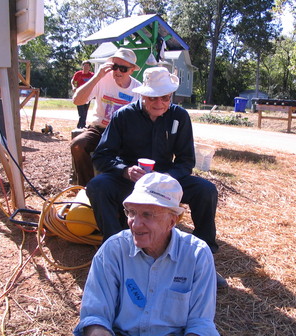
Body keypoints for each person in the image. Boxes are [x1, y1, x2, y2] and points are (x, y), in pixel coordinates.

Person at [86, 66, 227, 288]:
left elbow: (186, 161)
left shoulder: (179, 117)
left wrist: (166, 177)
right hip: (131, 180)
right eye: (154, 97)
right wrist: (125, 170)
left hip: (166, 178)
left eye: (165, 97)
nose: (160, 103)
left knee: (205, 190)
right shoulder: (123, 116)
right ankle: (114, 254)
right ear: (142, 94)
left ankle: (203, 259)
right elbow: (103, 156)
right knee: (97, 186)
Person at [74, 172, 219, 336]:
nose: (135, 224)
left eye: (147, 214)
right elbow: (95, 316)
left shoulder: (197, 255)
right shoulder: (113, 250)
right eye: (132, 212)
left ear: (172, 221)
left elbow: (200, 324)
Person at [70, 48, 141, 186]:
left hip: (122, 134)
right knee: (78, 145)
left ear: (132, 70)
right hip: (99, 129)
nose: (118, 72)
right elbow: (77, 101)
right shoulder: (102, 80)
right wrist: (97, 76)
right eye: (115, 67)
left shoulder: (137, 89)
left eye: (123, 68)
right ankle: (86, 187)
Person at [71, 60, 94, 129]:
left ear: (89, 67)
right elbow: (73, 81)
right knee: (81, 111)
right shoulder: (78, 74)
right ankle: (81, 126)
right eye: (84, 66)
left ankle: (81, 126)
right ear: (82, 66)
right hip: (79, 95)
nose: (86, 67)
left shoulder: (92, 75)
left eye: (87, 66)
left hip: (87, 95)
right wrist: (73, 87)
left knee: (85, 111)